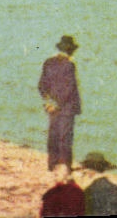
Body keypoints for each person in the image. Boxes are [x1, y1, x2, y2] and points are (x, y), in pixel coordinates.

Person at [38, 34, 82, 172]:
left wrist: (49, 101)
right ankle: (65, 166)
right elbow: (69, 88)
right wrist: (58, 103)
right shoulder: (69, 65)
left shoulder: (48, 62)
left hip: (51, 105)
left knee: (53, 134)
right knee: (65, 137)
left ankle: (52, 164)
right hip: (66, 106)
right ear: (70, 50)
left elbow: (41, 85)